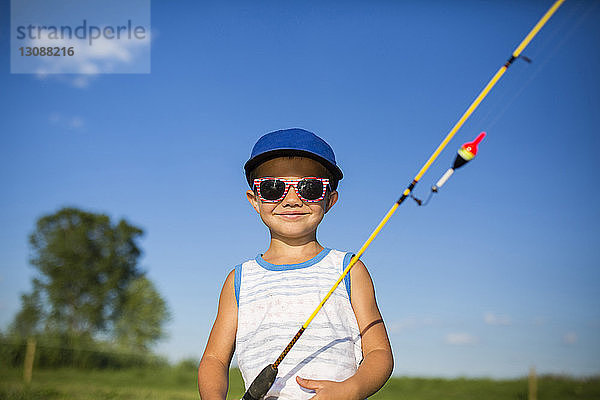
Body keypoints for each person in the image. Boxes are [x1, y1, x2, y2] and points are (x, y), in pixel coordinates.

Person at [198, 128, 393, 400]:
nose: (291, 200)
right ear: (254, 200)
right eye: (272, 188)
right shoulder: (239, 279)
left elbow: (379, 353)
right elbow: (214, 359)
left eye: (309, 188)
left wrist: (351, 389)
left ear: (330, 200)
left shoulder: (349, 269)